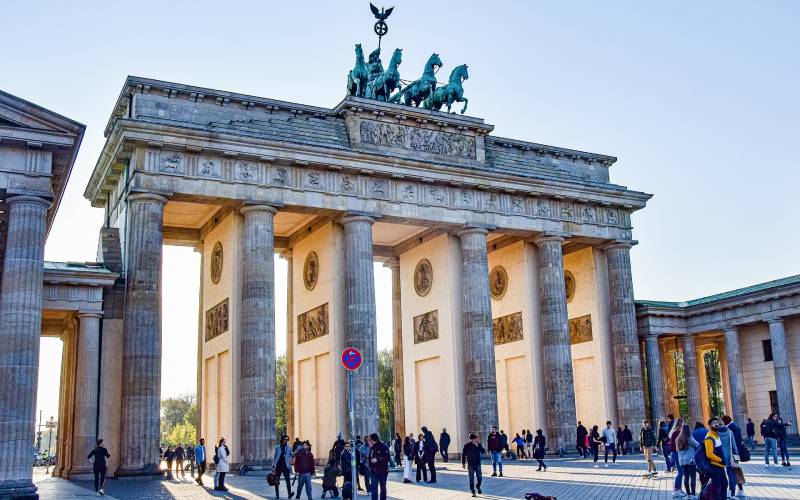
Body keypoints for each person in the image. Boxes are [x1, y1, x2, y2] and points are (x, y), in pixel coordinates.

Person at [718, 416, 743, 500]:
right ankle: (731, 493)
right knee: (731, 475)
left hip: (718, 457)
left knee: (721, 476)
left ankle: (722, 492)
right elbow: (734, 446)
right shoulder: (729, 432)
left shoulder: (716, 433)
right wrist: (737, 457)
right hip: (730, 457)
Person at [703, 417, 728, 500]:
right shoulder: (709, 437)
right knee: (717, 487)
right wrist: (721, 460)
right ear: (710, 426)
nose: (716, 424)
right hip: (714, 466)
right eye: (714, 423)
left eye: (717, 422)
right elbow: (709, 454)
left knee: (724, 484)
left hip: (720, 466)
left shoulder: (717, 435)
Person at [675, 424, 699, 498]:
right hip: (690, 461)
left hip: (682, 461)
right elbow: (697, 444)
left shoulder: (678, 439)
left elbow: (676, 450)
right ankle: (693, 494)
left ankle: (688, 494)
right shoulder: (689, 438)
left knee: (686, 477)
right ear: (689, 430)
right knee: (693, 478)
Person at [462, 433, 485, 497]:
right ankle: (472, 491)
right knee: (471, 478)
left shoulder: (478, 445)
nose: (474, 440)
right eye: (472, 439)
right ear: (470, 439)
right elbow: (463, 455)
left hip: (477, 464)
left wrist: (477, 446)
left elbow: (483, 451)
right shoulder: (466, 445)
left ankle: (478, 486)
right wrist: (463, 463)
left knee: (480, 478)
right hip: (470, 464)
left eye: (475, 439)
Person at [368, 433, 390, 500]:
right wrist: (370, 467)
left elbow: (387, 458)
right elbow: (370, 457)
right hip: (373, 472)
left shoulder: (384, 447)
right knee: (374, 489)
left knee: (383, 489)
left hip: (383, 472)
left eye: (370, 440)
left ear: (373, 440)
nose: (369, 441)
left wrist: (377, 459)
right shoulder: (372, 447)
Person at [668, 417, 684, 496]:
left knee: (680, 472)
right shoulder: (677, 433)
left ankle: (679, 489)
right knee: (680, 472)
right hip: (676, 454)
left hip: (674, 454)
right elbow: (676, 446)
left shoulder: (674, 432)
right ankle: (676, 490)